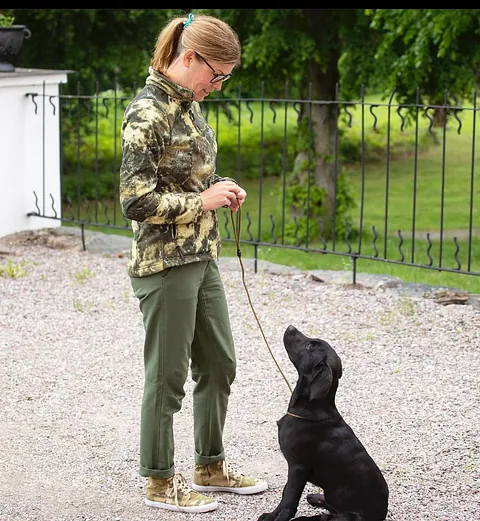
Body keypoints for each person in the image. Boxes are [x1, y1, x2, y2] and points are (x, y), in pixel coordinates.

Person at [119, 12, 268, 514]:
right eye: (217, 74)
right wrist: (202, 203)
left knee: (219, 363)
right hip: (164, 265)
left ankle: (210, 466)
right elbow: (136, 202)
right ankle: (160, 482)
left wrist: (218, 189)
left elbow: (187, 177)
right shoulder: (148, 112)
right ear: (189, 58)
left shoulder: (189, 108)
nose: (219, 85)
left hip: (202, 257)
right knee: (167, 378)